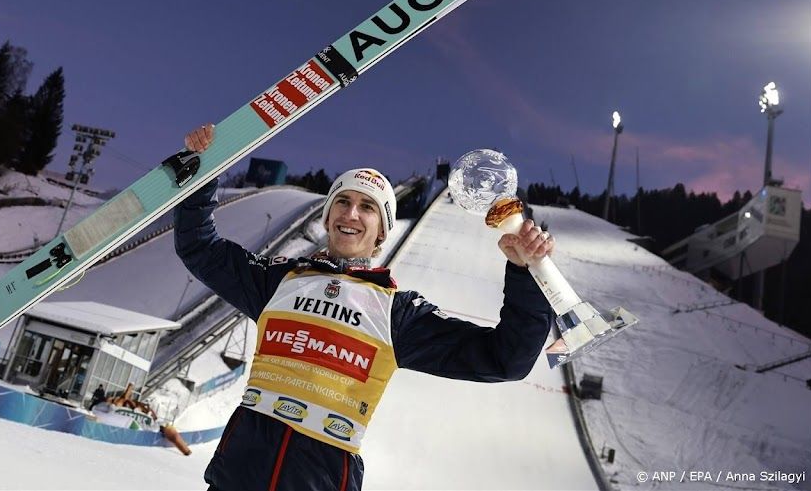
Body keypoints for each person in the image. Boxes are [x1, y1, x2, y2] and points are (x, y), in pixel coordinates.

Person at [174, 124, 558, 491]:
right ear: (327, 217)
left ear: (381, 232)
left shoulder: (397, 314)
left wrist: (524, 274)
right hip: (233, 480)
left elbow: (506, 360)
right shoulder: (278, 281)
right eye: (342, 201)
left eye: (367, 207)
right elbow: (199, 247)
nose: (351, 213)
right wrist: (204, 168)